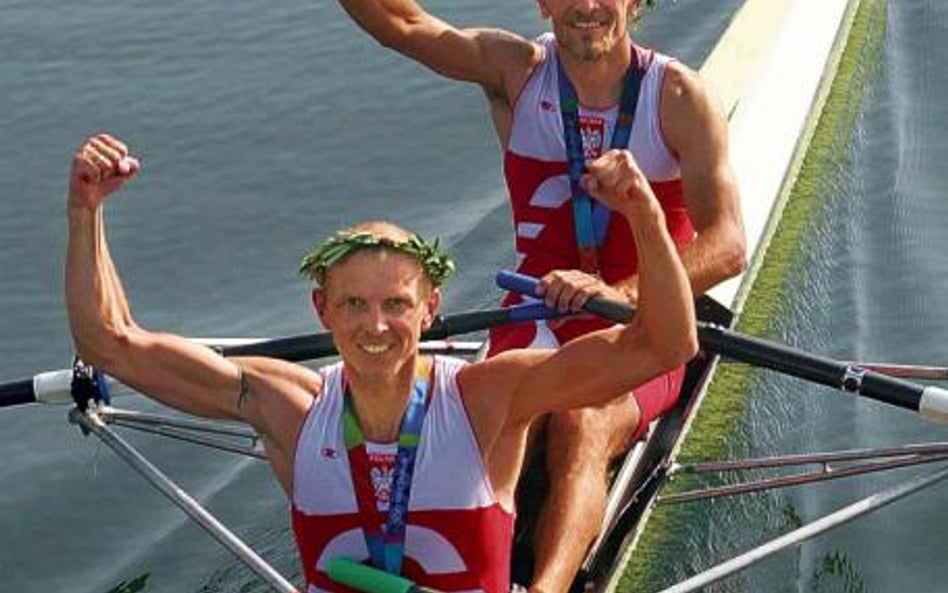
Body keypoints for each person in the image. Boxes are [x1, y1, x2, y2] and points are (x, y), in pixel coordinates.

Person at [65, 133, 697, 593]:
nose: (375, 327)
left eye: (396, 304)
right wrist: (86, 211)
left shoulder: (487, 398)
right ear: (323, 311)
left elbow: (665, 346)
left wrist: (643, 213)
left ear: (430, 310)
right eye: (355, 305)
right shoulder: (288, 409)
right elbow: (111, 343)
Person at [333, 1, 746, 591]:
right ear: (544, 4)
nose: (586, 6)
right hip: (536, 309)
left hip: (645, 323)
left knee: (582, 421)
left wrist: (620, 292)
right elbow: (404, 26)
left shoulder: (678, 97)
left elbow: (728, 244)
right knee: (467, 423)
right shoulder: (514, 70)